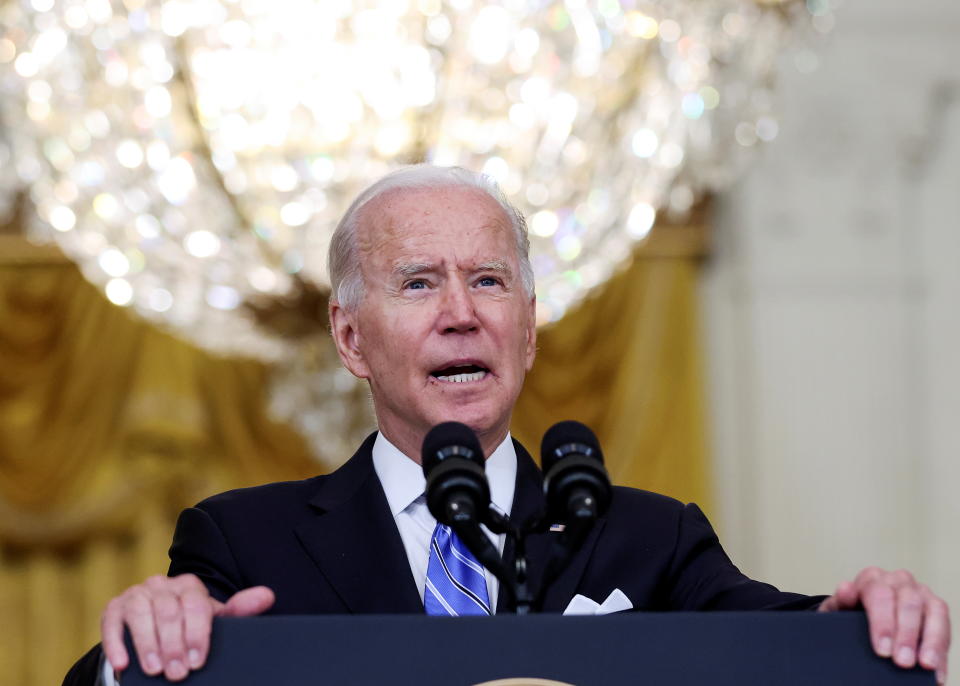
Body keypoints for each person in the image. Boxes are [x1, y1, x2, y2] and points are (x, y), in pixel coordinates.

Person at [65, 165, 951, 684]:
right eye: (419, 283)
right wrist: (145, 639)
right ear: (349, 336)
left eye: (489, 281)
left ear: (526, 325)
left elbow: (782, 646)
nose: (462, 313)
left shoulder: (650, 539)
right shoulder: (243, 539)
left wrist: (856, 618)